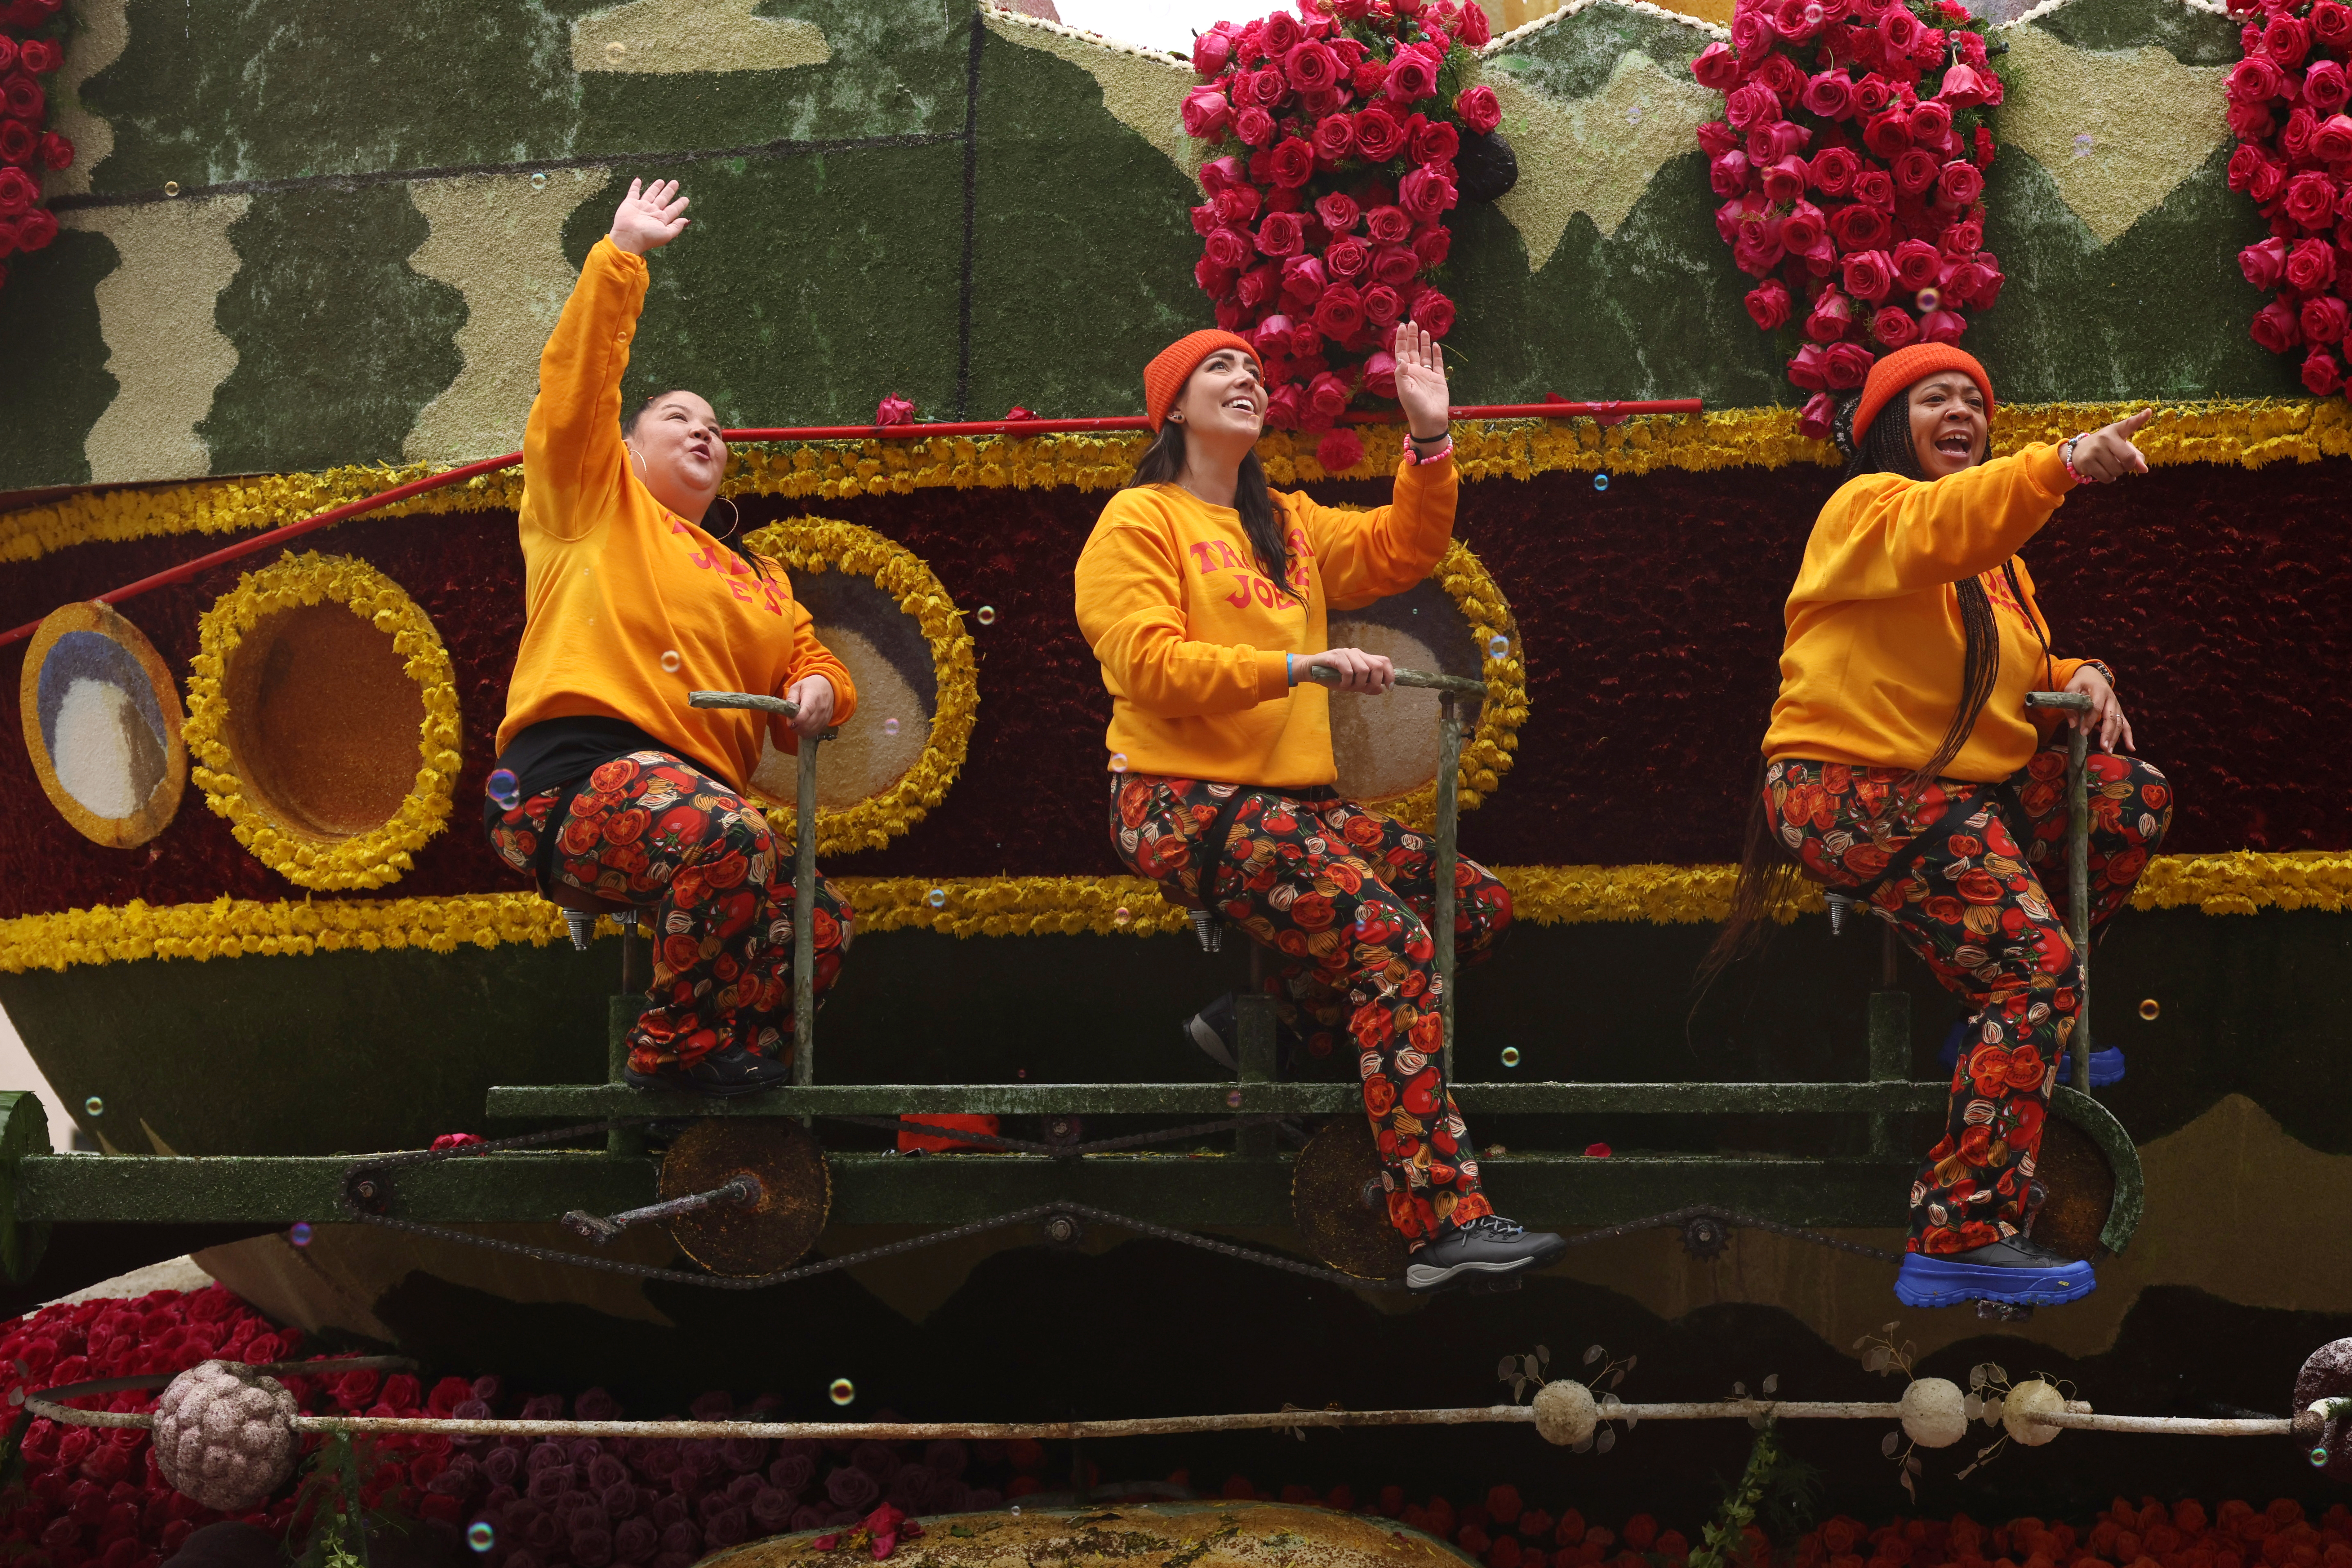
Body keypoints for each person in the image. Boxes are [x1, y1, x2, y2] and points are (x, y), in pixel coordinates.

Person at [1073, 321, 1566, 1294]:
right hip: (1180, 801)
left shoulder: (1287, 522)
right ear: (1171, 406)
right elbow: (1145, 665)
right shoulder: (1138, 520)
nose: (1247, 377)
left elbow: (1403, 546)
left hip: (1291, 813)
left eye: (1256, 369)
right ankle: (1441, 1225)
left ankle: (1274, 1018)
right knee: (1392, 944)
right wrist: (1295, 665)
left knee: (1470, 905)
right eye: (1221, 367)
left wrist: (1428, 444)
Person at [1706, 342, 2170, 1310]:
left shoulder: (1995, 562)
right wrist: (2066, 461)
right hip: (1849, 789)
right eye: (1936, 398)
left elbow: (2007, 682)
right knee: (2040, 970)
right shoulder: (1868, 507)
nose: (1961, 411)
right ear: (1889, 425)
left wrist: (2083, 677)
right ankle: (1961, 1226)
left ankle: (1991, 1029)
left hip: (1947, 792)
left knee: (2128, 796)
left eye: (1974, 399)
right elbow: (1943, 526)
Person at [486, 178, 858, 1097]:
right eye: (678, 417)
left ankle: (743, 1077)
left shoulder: (761, 577)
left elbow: (809, 659)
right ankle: (670, 1056)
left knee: (818, 918)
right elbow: (578, 387)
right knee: (726, 835)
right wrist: (622, 259)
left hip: (690, 801)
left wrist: (822, 691)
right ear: (628, 445)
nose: (705, 430)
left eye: (716, 426)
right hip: (567, 782)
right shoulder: (589, 502)